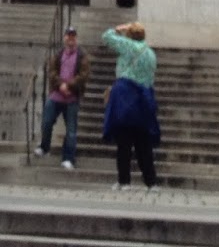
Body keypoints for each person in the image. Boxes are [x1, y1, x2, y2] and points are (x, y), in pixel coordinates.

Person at [100, 20, 159, 190]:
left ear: (130, 35)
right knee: (143, 143)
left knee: (124, 143)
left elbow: (106, 37)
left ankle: (124, 181)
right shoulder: (150, 53)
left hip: (126, 98)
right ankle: (151, 182)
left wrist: (119, 28)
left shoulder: (128, 46)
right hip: (144, 99)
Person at [33, 25, 91, 169]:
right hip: (56, 95)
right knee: (46, 122)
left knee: (71, 130)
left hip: (72, 98)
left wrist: (69, 86)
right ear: (64, 38)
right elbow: (52, 72)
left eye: (73, 37)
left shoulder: (82, 56)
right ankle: (44, 147)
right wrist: (60, 85)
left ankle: (68, 158)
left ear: (76, 39)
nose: (70, 39)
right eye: (68, 36)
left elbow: (83, 75)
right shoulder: (58, 55)